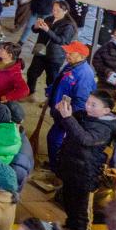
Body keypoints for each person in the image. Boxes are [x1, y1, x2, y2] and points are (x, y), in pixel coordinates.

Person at [54, 89, 116, 230]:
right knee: (69, 200)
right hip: (72, 166)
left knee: (82, 207)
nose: (88, 106)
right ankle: (71, 227)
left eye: (93, 105)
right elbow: (66, 125)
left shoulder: (105, 128)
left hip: (86, 172)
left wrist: (68, 118)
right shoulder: (84, 115)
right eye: (88, 102)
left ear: (106, 110)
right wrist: (61, 112)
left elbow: (85, 139)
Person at [46, 40, 98, 168]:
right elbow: (59, 81)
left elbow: (81, 102)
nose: (67, 54)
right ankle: (55, 164)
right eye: (67, 52)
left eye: (71, 53)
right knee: (54, 139)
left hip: (67, 115)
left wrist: (68, 117)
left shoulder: (84, 74)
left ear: (82, 56)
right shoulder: (71, 65)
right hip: (60, 110)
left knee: (55, 140)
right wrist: (50, 92)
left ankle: (56, 167)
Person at [25, 0, 78, 96]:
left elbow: (62, 41)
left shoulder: (68, 25)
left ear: (65, 11)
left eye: (58, 10)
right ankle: (30, 92)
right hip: (41, 51)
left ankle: (50, 98)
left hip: (55, 56)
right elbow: (36, 31)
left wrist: (47, 30)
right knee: (31, 73)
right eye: (53, 9)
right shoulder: (49, 18)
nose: (54, 12)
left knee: (51, 80)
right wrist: (36, 26)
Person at [94, 27, 116, 92]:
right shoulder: (106, 47)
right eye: (115, 35)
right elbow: (96, 61)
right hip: (102, 81)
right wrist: (107, 71)